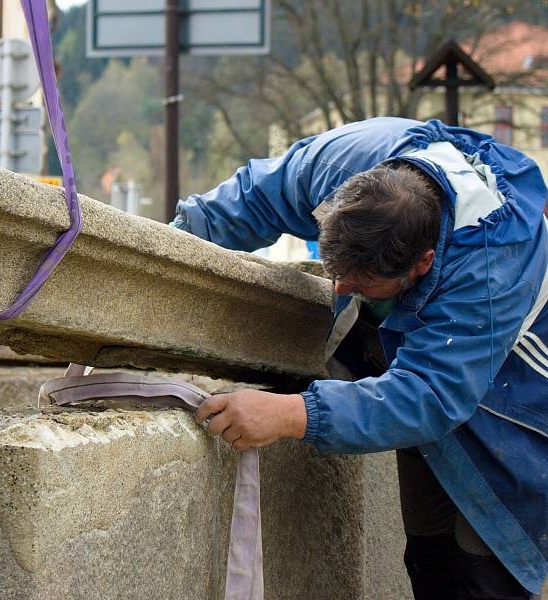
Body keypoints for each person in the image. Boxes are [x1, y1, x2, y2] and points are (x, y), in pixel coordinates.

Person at [174, 117, 548, 599]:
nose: (342, 290)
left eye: (362, 283)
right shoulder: (345, 162)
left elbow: (431, 396)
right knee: (428, 553)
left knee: (481, 568)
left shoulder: (490, 267)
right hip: (422, 367)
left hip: (511, 397)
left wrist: (295, 413)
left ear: (424, 263)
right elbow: (252, 198)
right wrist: (169, 242)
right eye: (338, 272)